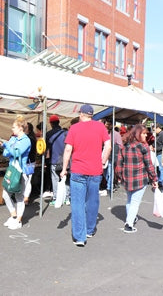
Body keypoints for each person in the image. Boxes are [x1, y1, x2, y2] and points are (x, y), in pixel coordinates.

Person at [60, 104, 111, 247]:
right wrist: (102, 162)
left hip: (77, 170)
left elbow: (68, 149)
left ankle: (79, 237)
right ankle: (90, 229)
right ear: (91, 115)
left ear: (81, 114)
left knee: (77, 203)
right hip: (95, 170)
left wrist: (64, 168)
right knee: (92, 201)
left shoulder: (74, 128)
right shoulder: (101, 127)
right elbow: (108, 146)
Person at [116, 124, 158, 233]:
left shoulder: (124, 146)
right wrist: (154, 179)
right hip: (139, 178)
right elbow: (149, 165)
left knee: (130, 200)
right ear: (138, 134)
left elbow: (119, 164)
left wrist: (120, 176)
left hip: (127, 178)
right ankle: (129, 224)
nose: (146, 135)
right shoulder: (143, 147)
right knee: (134, 201)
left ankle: (131, 218)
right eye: (144, 133)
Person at [0, 115, 32, 230]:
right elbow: (6, 154)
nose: (12, 129)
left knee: (19, 196)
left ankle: (18, 221)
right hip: (11, 170)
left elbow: (15, 153)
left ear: (20, 128)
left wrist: (6, 144)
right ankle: (13, 216)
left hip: (21, 172)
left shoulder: (26, 140)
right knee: (5, 194)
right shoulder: (14, 139)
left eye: (14, 127)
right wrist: (9, 146)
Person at [46, 115, 69, 206]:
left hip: (54, 160)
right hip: (65, 160)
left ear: (51, 123)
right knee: (65, 179)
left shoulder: (49, 134)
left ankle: (56, 198)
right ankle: (66, 198)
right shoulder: (65, 133)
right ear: (59, 122)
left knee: (55, 179)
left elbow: (45, 148)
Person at [24, 122, 37, 204]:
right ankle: (26, 197)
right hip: (31, 161)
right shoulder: (32, 138)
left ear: (27, 129)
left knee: (26, 181)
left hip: (27, 162)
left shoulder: (28, 138)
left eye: (24, 127)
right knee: (28, 180)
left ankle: (25, 198)